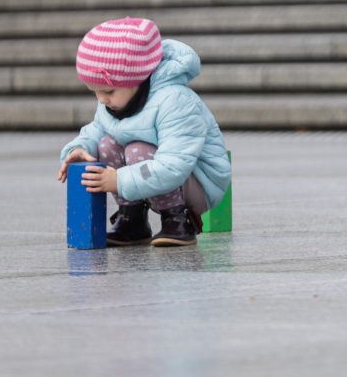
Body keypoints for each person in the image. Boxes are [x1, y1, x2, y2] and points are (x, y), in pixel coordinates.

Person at [57, 16, 231, 247]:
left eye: (108, 90)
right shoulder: (117, 99)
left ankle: (178, 219)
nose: (101, 99)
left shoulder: (175, 100)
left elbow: (174, 164)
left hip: (197, 180)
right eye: (94, 91)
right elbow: (96, 130)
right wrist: (79, 148)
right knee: (107, 145)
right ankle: (132, 218)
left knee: (137, 149)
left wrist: (119, 179)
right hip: (151, 176)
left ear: (137, 78)